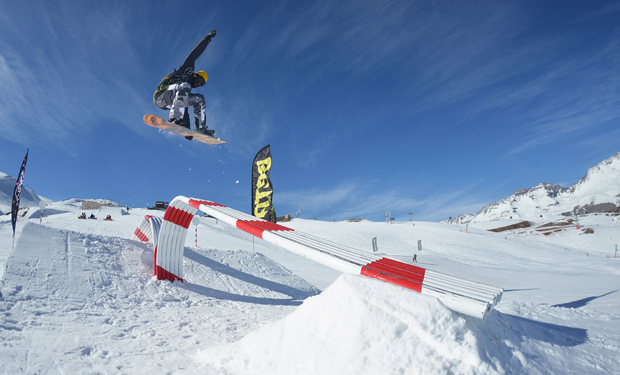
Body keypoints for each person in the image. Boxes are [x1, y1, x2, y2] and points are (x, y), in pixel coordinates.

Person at [153, 30, 217, 139]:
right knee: (185, 86)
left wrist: (187, 130)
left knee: (199, 98)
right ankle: (174, 119)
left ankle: (200, 128)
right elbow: (194, 54)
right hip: (161, 96)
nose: (197, 83)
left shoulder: (185, 90)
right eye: (199, 80)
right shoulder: (187, 70)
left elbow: (183, 107)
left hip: (171, 101)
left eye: (201, 84)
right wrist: (207, 39)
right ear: (195, 75)